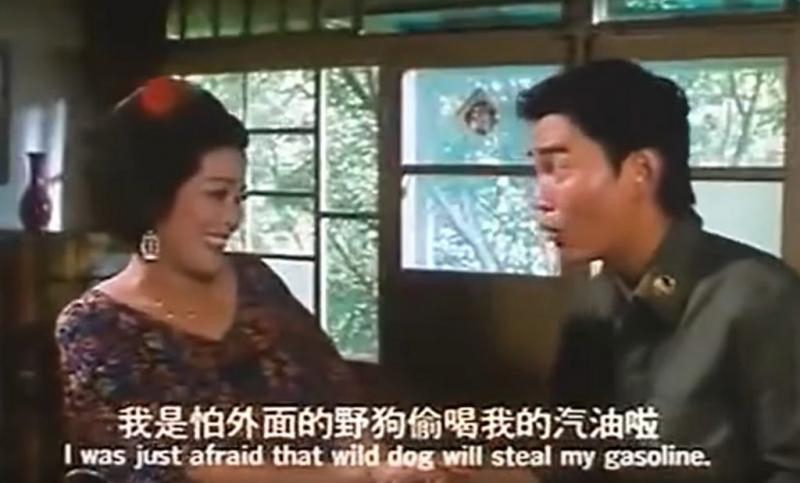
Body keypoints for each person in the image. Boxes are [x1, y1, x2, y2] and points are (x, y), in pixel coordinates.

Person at [56, 77, 450, 483]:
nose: (233, 218)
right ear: (152, 198)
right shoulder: (94, 326)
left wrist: (383, 463)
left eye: (239, 197)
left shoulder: (255, 279)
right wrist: (345, 476)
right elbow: (168, 465)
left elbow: (339, 399)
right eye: (216, 194)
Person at [516, 59, 800, 482]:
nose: (539, 199)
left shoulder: (759, 298)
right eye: (537, 171)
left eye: (558, 168)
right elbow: (576, 463)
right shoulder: (592, 306)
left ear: (641, 171)